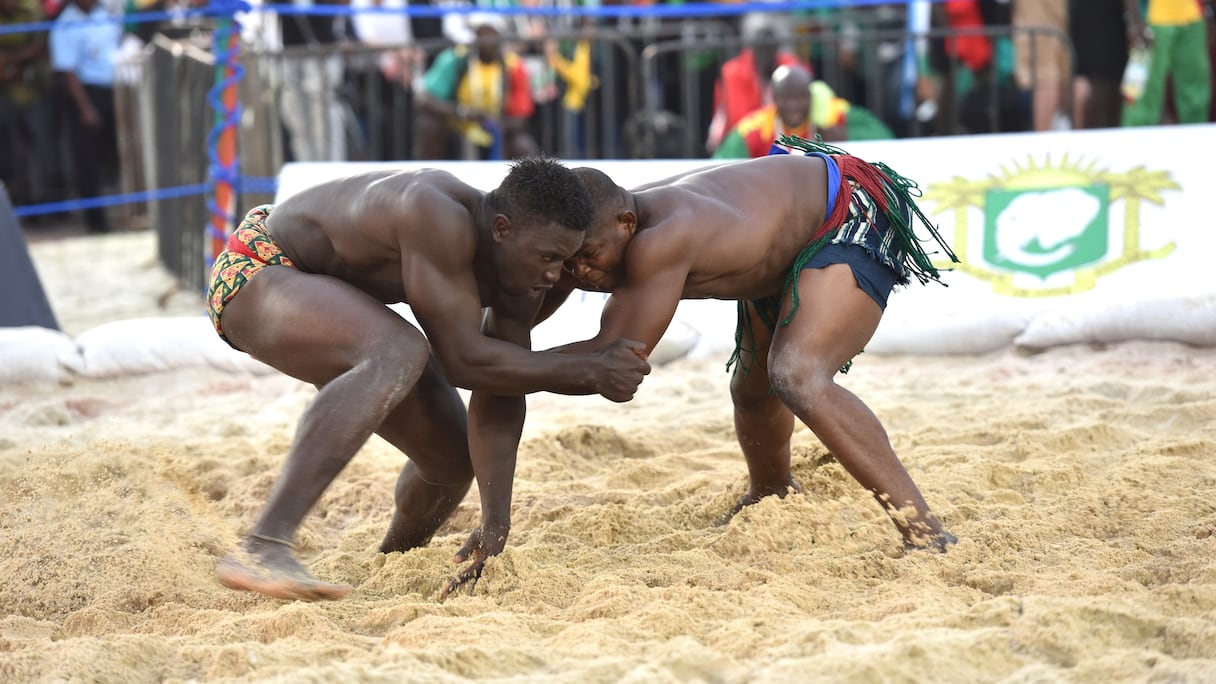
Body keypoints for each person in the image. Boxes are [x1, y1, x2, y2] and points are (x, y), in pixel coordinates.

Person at [207, 156, 652, 601]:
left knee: (454, 459)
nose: (556, 276)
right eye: (550, 258)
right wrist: (588, 367)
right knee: (399, 350)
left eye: (566, 260)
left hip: (327, 300)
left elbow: (502, 383)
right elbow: (464, 362)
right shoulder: (433, 210)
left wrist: (495, 521)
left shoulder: (522, 277)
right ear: (502, 229)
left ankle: (393, 565)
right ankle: (263, 544)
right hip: (257, 268)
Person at [550, 138, 960, 551]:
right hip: (784, 231)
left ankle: (927, 532)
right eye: (568, 261)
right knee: (752, 389)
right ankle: (771, 491)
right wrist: (494, 354)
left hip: (848, 206)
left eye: (588, 256)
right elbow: (535, 296)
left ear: (626, 225)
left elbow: (614, 360)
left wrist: (498, 366)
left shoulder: (659, 239)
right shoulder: (607, 224)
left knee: (798, 374)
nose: (580, 271)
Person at [1121, 0, 1214, 127]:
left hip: (1193, 18)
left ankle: (1195, 140)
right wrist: (1134, 22)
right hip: (1150, 19)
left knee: (1196, 89)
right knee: (1140, 87)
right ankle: (1132, 137)